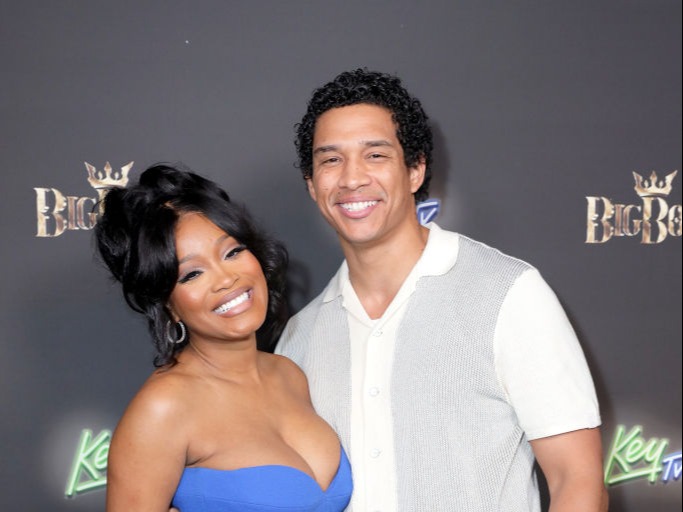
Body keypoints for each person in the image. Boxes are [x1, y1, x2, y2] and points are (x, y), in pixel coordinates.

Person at [276, 69, 609, 511]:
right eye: (331, 160)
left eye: (375, 155)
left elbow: (577, 481)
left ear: (415, 170)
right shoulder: (299, 339)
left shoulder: (508, 294)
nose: (352, 178)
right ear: (312, 184)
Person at [96, 164, 352, 512]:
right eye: (192, 274)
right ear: (168, 304)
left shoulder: (289, 373)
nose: (226, 279)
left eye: (232, 252)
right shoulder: (163, 409)